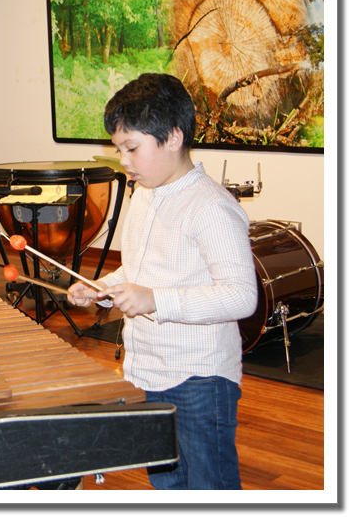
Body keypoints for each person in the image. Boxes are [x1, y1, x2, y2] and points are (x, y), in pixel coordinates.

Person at [67, 73, 257, 490]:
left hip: (199, 378)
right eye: (119, 149)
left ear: (173, 137)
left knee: (209, 488)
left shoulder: (210, 207)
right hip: (147, 370)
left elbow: (242, 296)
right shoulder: (145, 194)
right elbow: (140, 272)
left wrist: (155, 300)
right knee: (168, 485)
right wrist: (103, 289)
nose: (124, 161)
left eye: (132, 148)